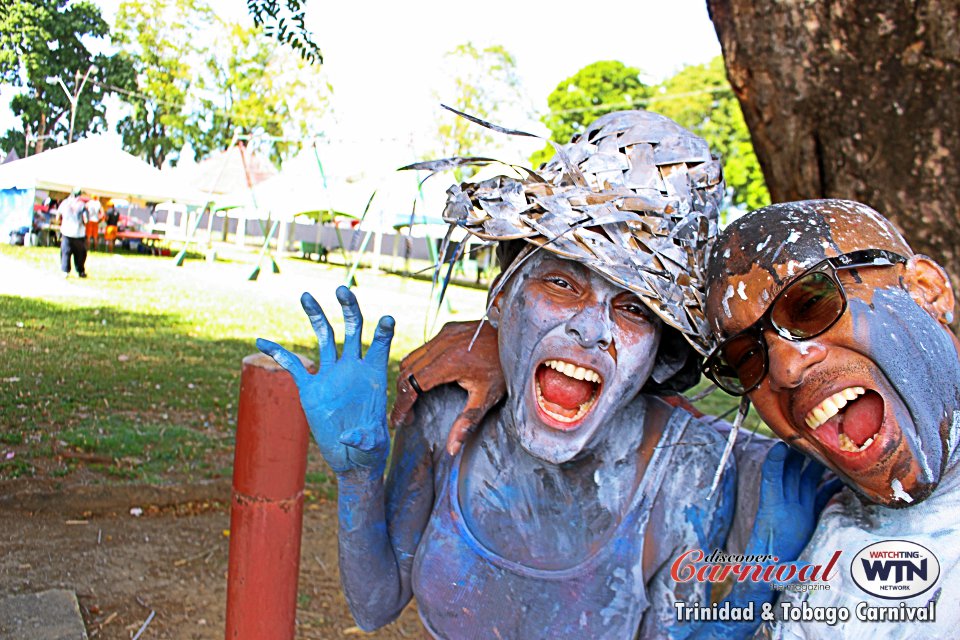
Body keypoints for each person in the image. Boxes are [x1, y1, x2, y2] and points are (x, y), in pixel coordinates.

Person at [259, 112, 817, 638]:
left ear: (662, 352)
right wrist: (358, 479)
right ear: (502, 300)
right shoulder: (446, 414)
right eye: (562, 285)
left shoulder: (688, 475)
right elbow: (375, 604)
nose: (592, 330)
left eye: (633, 310)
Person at [700, 199, 960, 638]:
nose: (785, 369)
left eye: (809, 304)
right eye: (745, 358)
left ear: (927, 291)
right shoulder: (824, 537)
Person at [58, 188, 87, 278]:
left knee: (65, 251)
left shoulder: (64, 203)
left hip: (66, 231)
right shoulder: (82, 205)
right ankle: (80, 271)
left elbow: (58, 215)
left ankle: (65, 271)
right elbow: (86, 219)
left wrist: (62, 223)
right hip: (79, 233)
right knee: (80, 254)